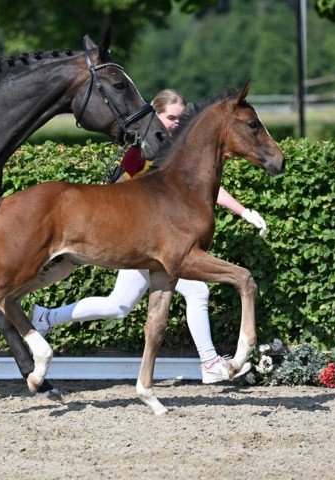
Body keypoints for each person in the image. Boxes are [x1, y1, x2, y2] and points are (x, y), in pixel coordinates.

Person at [32, 89, 267, 384]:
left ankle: (46, 318)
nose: (175, 123)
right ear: (155, 115)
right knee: (139, 302)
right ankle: (209, 363)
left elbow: (202, 190)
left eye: (180, 118)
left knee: (122, 304)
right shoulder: (141, 152)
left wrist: (244, 211)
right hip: (140, 237)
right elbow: (118, 189)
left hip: (159, 240)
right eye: (170, 117)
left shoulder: (179, 152)